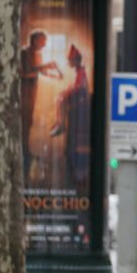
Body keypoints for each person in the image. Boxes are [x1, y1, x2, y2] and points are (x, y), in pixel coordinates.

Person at [20, 30, 62, 178]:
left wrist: (53, 74)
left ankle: (25, 147)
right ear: (35, 40)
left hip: (31, 95)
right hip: (23, 95)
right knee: (24, 121)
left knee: (29, 122)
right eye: (42, 41)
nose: (44, 45)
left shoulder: (37, 55)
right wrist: (45, 67)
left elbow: (39, 72)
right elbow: (25, 72)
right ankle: (23, 149)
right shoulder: (25, 53)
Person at [50, 44, 91, 189]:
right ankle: (59, 122)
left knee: (60, 98)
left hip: (79, 108)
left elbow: (81, 87)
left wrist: (67, 93)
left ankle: (60, 123)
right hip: (77, 108)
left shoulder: (82, 73)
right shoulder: (79, 72)